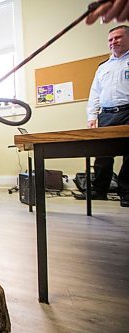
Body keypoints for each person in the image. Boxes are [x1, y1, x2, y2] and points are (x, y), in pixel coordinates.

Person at [76, 25, 129, 207]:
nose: (113, 42)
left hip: (127, 112)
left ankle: (127, 193)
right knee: (102, 155)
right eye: (110, 39)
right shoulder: (103, 67)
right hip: (106, 115)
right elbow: (95, 93)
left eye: (118, 38)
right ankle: (99, 190)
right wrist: (92, 116)